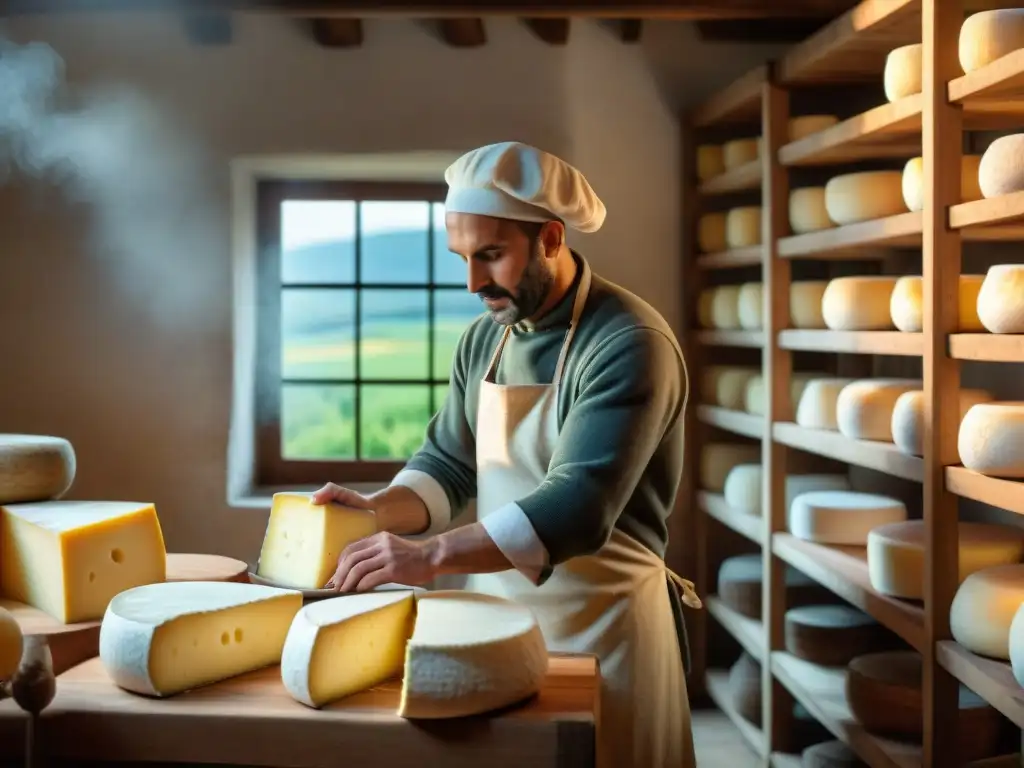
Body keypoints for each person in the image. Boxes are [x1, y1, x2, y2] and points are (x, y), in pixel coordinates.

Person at [312, 141, 699, 768]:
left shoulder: (629, 341)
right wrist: (379, 512)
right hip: (499, 620)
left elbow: (577, 506)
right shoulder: (484, 340)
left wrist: (430, 555)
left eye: (491, 255)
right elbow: (449, 464)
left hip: (609, 629)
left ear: (549, 238)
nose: (472, 282)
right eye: (462, 257)